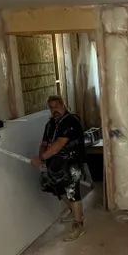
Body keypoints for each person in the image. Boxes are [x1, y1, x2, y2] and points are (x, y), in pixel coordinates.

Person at [32, 95, 86, 241]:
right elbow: (44, 144)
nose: (54, 110)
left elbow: (58, 145)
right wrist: (42, 157)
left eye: (56, 106)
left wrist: (42, 158)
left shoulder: (70, 121)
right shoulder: (50, 125)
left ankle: (78, 225)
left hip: (71, 162)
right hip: (56, 164)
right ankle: (75, 211)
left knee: (72, 192)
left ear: (63, 104)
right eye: (51, 107)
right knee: (55, 188)